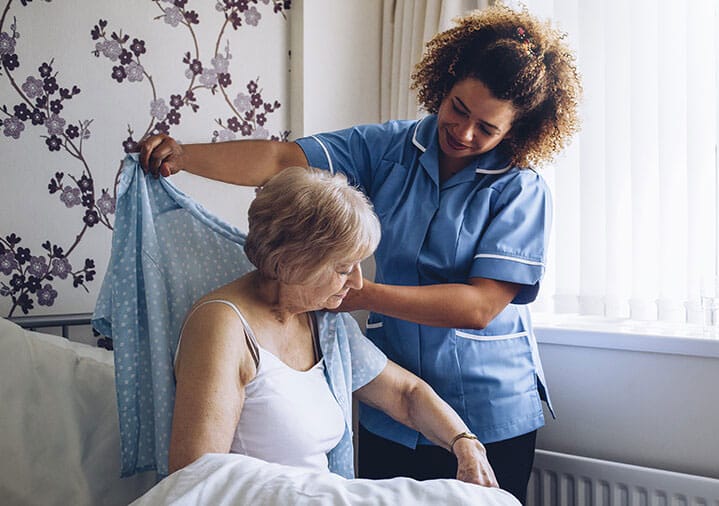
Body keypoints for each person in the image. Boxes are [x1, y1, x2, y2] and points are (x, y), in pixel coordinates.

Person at [140, 4, 581, 503]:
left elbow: (479, 307)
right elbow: (284, 159)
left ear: (517, 132)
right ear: (445, 83)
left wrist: (355, 291)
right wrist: (185, 156)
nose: (463, 132)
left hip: (487, 406)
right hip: (391, 407)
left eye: (487, 128)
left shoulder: (520, 190)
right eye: (459, 108)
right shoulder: (389, 148)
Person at [169, 165, 498, 488]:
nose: (357, 282)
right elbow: (196, 479)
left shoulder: (323, 322)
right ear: (289, 262)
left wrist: (465, 443)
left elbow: (405, 394)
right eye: (343, 268)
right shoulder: (223, 327)